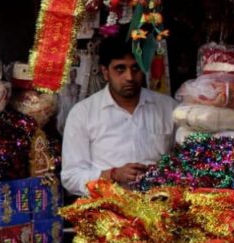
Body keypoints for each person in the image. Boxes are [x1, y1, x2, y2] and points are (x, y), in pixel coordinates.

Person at [61, 33, 177, 197]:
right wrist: (112, 175)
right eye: (120, 69)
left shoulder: (167, 107)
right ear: (105, 72)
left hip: (161, 204)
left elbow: (184, 160)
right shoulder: (83, 114)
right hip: (108, 211)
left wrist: (164, 172)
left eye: (135, 68)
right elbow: (71, 178)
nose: (129, 77)